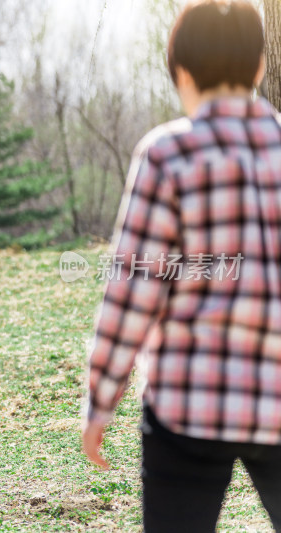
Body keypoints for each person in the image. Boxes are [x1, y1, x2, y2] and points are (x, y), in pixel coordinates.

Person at [81, 1, 281, 530]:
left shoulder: (168, 154)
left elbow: (132, 292)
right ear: (260, 67)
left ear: (182, 73)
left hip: (189, 403)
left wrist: (101, 401)